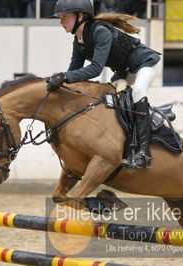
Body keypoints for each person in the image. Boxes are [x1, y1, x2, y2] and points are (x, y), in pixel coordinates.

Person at [47, 0, 161, 169]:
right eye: (60, 17)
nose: (61, 21)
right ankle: (125, 143)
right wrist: (60, 84)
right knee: (110, 96)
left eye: (65, 17)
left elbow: (95, 70)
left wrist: (64, 76)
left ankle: (144, 152)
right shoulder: (79, 41)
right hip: (125, 70)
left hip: (146, 63)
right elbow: (74, 72)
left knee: (137, 92)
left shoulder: (100, 31)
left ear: (80, 16)